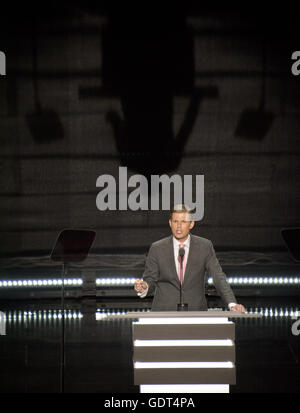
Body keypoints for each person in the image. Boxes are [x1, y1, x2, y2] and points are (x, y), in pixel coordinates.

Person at [134, 204, 245, 312]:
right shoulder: (157, 248)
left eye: (183, 222)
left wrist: (232, 304)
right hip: (164, 313)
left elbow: (218, 277)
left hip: (195, 312)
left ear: (191, 224)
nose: (178, 226)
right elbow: (150, 279)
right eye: (175, 221)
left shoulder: (205, 246)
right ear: (170, 223)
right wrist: (145, 287)